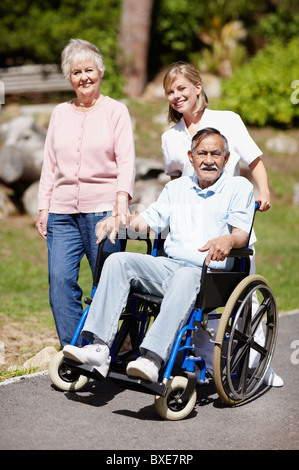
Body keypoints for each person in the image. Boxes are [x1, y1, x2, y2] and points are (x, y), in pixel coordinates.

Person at [62, 127, 255, 383]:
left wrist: (228, 239)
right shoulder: (176, 189)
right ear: (191, 156)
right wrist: (121, 222)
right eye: (202, 153)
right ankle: (98, 348)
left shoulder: (238, 187)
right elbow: (149, 221)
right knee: (118, 261)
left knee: (186, 275)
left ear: (226, 159)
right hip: (169, 266)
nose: (208, 160)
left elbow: (241, 234)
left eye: (216, 154)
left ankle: (151, 359)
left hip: (210, 273)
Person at [161, 61, 283, 387]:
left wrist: (265, 192)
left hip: (231, 224)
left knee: (244, 302)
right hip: (191, 232)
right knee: (195, 301)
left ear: (198, 87)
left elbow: (253, 159)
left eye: (182, 88)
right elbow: (174, 180)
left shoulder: (227, 121)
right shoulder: (170, 138)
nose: (176, 96)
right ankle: (198, 362)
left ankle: (258, 367)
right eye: (170, 91)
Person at [35, 39, 135, 347]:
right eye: (76, 72)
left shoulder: (116, 111)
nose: (84, 77)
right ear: (69, 77)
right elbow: (49, 164)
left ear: (100, 72)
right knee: (60, 283)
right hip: (62, 215)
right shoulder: (59, 113)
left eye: (89, 69)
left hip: (103, 212)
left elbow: (126, 160)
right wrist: (43, 208)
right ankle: (74, 349)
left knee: (108, 283)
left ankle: (109, 345)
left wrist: (121, 204)